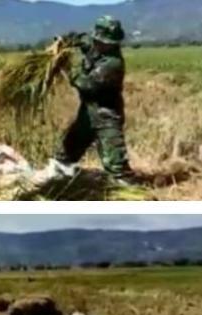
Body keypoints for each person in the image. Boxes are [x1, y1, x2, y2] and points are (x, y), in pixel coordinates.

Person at [53, 16, 135, 187]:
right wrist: (65, 41)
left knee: (116, 166)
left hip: (106, 116)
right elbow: (83, 40)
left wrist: (66, 66)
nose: (100, 44)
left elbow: (85, 84)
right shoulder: (97, 46)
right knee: (65, 154)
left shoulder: (112, 64)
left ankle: (128, 196)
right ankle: (61, 184)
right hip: (88, 113)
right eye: (99, 40)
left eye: (107, 43)